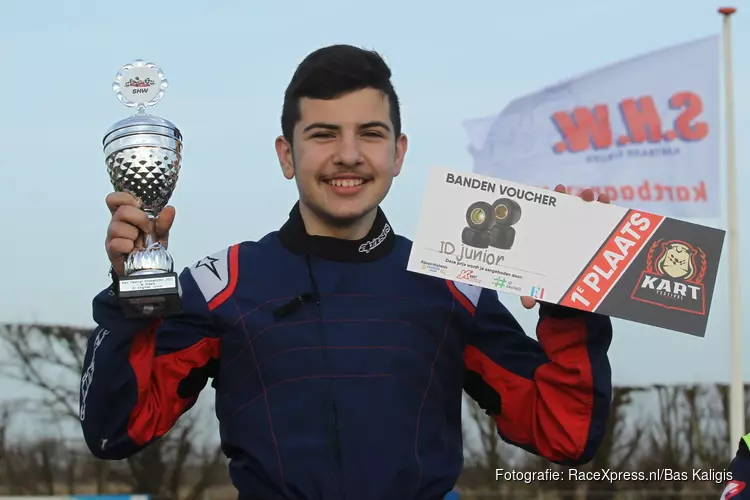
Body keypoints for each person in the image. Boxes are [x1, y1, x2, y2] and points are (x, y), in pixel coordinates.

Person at [79, 44, 614, 500]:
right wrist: (135, 293)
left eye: (371, 133)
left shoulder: (455, 280)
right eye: (324, 134)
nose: (350, 155)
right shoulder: (224, 283)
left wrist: (572, 300)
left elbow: (564, 430)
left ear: (398, 153)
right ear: (286, 154)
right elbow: (116, 431)